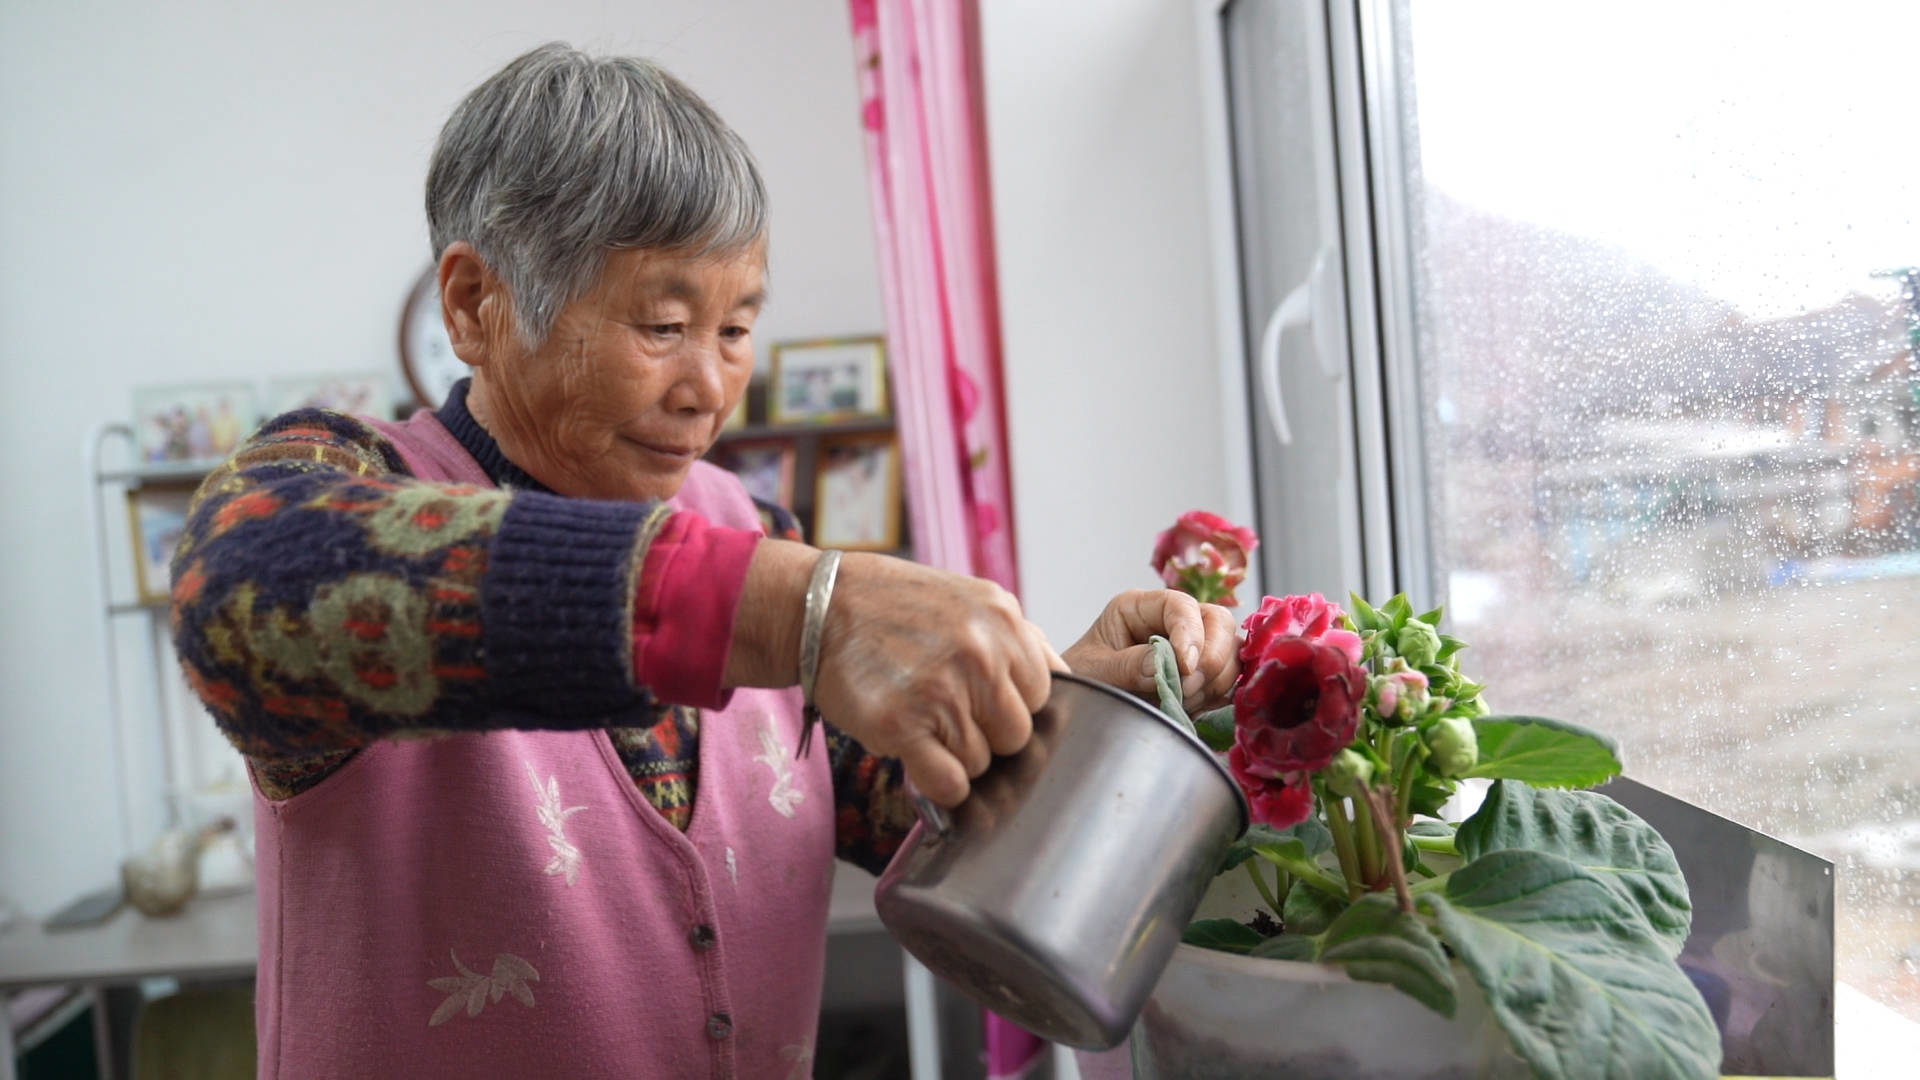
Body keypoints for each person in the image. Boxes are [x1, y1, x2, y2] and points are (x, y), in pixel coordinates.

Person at [170, 43, 1240, 1078]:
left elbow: (918, 797)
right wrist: (793, 612)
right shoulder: (350, 476)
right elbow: (240, 591)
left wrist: (1055, 713)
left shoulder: (759, 534)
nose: (708, 388)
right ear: (473, 304)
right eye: (664, 323)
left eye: (734, 330)